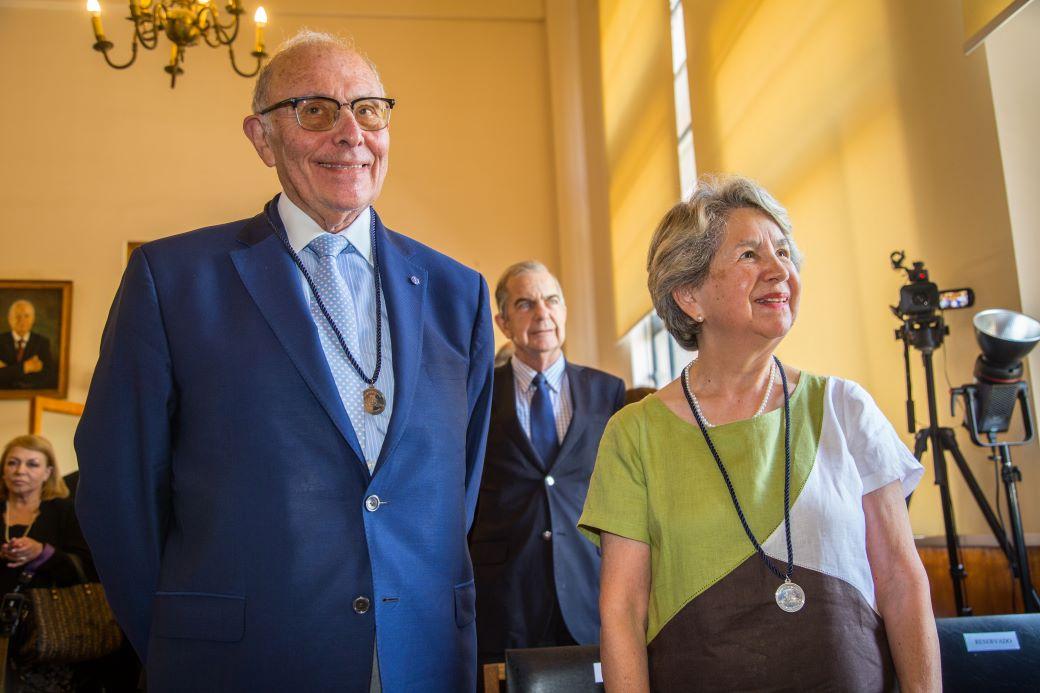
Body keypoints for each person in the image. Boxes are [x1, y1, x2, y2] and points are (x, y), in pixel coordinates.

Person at [75, 31, 494, 691]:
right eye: (317, 110)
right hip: (240, 663)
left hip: (423, 658)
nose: (351, 133)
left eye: (369, 109)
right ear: (261, 137)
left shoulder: (457, 292)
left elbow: (458, 489)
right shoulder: (173, 280)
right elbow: (117, 491)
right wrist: (178, 632)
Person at [578, 175, 941, 692]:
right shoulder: (634, 433)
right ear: (690, 296)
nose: (779, 270)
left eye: (784, 252)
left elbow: (903, 582)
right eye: (749, 254)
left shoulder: (844, 407)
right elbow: (622, 613)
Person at [469, 261, 625, 662]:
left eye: (551, 300)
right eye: (526, 304)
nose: (542, 314)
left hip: (589, 589)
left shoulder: (607, 392)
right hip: (507, 597)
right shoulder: (476, 395)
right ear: (503, 322)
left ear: (564, 310)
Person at [0, 435, 93, 691]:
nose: (20, 471)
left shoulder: (64, 512)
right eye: (13, 463)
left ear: (48, 472)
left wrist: (42, 553)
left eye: (32, 464)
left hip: (48, 631)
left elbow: (87, 569)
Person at [0, 300, 55, 390]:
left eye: (26, 316)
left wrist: (8, 371)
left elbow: (48, 377)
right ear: (9, 319)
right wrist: (26, 367)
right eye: (17, 316)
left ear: (33, 319)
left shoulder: (42, 342)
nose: (22, 320)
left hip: (30, 397)